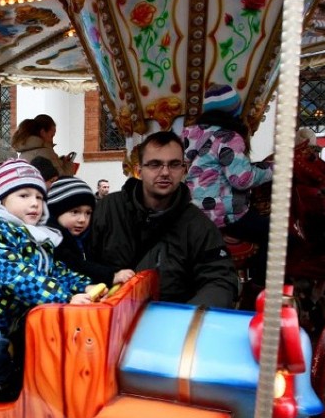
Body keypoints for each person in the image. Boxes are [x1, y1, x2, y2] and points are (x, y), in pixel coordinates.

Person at [0, 159, 97, 402]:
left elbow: (53, 269)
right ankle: (5, 387)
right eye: (24, 195)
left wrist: (83, 284)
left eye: (39, 197)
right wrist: (64, 297)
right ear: (1, 200)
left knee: (35, 336)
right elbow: (15, 276)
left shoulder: (32, 235)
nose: (34, 203)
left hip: (9, 315)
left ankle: (36, 383)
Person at [89, 131, 237, 308]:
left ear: (184, 169)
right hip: (104, 319)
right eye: (155, 164)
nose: (165, 172)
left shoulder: (198, 225)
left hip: (169, 324)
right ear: (139, 170)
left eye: (174, 164)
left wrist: (185, 320)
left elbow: (220, 280)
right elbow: (77, 262)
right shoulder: (107, 209)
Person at [182, 83, 274, 243]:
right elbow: (241, 179)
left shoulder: (192, 135)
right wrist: (272, 169)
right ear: (235, 111)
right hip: (224, 216)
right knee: (278, 238)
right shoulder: (229, 138)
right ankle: (262, 269)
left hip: (195, 214)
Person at [46, 177, 132, 286]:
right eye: (75, 212)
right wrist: (111, 276)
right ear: (56, 212)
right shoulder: (53, 241)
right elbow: (77, 265)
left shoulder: (84, 237)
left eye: (88, 213)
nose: (82, 219)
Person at [11, 114, 75, 177]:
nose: (52, 140)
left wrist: (60, 160)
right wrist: (68, 163)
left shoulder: (25, 149)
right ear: (43, 132)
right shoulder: (44, 152)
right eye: (51, 136)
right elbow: (62, 177)